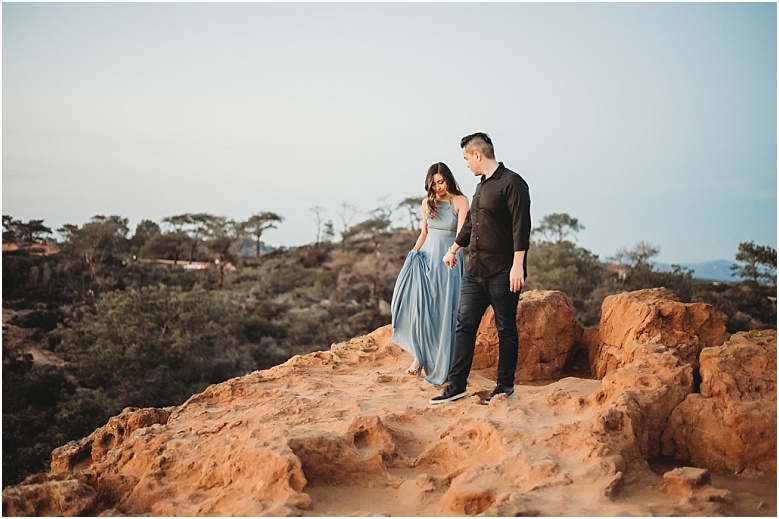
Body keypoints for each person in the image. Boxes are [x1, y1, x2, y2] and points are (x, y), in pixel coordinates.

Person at [430, 132, 531, 404]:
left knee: (505, 329)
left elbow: (521, 227)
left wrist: (517, 266)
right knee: (464, 326)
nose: (466, 164)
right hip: (474, 271)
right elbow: (471, 223)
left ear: (478, 155)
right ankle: (457, 385)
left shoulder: (513, 183)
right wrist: (453, 250)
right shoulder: (481, 186)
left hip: (503, 270)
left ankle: (504, 387)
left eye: (466, 158)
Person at [391, 162, 470, 386]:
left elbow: (463, 235)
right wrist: (413, 254)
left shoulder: (461, 201)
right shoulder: (427, 203)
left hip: (449, 262)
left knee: (446, 310)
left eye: (441, 182)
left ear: (449, 179)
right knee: (423, 310)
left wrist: (452, 253)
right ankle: (419, 359)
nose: (437, 187)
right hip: (427, 259)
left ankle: (447, 362)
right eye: (433, 184)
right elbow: (424, 233)